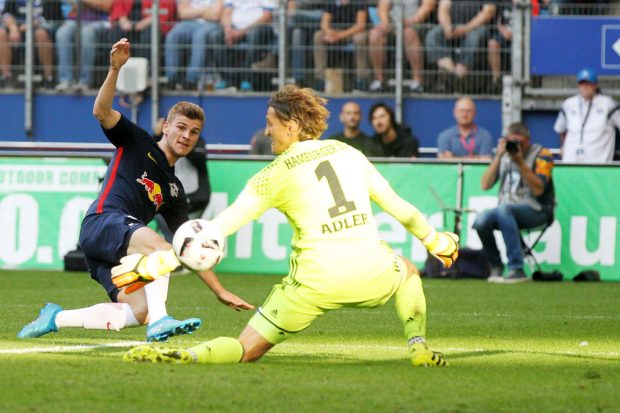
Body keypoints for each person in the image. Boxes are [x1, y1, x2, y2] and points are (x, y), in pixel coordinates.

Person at [123, 84, 459, 367]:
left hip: (313, 285)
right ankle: (419, 347)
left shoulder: (273, 174)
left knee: (244, 349)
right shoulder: (347, 152)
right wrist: (436, 242)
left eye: (271, 123)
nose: (267, 131)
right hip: (371, 272)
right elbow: (401, 209)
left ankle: (188, 356)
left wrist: (158, 263)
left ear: (293, 125)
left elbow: (216, 230)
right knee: (409, 272)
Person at [16, 39, 253, 342]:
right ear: (165, 127)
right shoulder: (138, 141)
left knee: (137, 311)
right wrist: (114, 69)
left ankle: (56, 318)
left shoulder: (174, 191)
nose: (186, 135)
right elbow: (101, 111)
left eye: (193, 132)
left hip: (109, 250)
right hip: (104, 221)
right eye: (180, 127)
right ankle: (162, 320)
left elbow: (186, 245)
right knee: (162, 252)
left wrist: (220, 291)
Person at [473, 122, 555, 284]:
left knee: (504, 210)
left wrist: (520, 162)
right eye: (512, 142)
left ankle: (517, 268)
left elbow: (538, 189)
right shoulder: (504, 156)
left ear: (528, 141)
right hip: (505, 210)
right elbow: (485, 185)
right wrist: (498, 157)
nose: (517, 146)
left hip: (537, 210)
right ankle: (496, 265)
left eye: (520, 143)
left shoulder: (542, 155)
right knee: (481, 219)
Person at [368, 0, 437, 93]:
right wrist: (385, 22)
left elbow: (428, 6)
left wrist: (413, 21)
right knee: (375, 35)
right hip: (392, 25)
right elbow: (382, 8)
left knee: (409, 33)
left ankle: (417, 80)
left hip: (417, 25)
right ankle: (379, 80)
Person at [553, 68, 620, 163]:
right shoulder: (569, 104)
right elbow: (560, 129)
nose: (585, 87)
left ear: (595, 85)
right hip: (571, 162)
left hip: (598, 164)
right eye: (582, 83)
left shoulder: (608, 104)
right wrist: (563, 146)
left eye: (588, 83)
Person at [425, 0, 496, 87]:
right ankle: (450, 72)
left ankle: (459, 75)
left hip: (477, 27)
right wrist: (447, 27)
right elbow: (443, 9)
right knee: (433, 35)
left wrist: (467, 28)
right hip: (453, 26)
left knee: (474, 37)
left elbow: (488, 12)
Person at [215, 0, 277, 92]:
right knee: (216, 35)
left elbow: (267, 17)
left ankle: (246, 78)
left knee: (254, 35)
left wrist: (243, 31)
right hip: (234, 29)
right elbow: (226, 13)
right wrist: (228, 31)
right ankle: (227, 78)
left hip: (258, 28)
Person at [164, 0, 224, 90]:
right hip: (189, 23)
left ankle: (192, 80)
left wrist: (193, 11)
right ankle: (172, 78)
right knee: (173, 35)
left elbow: (216, 15)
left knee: (199, 36)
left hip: (211, 24)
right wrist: (205, 10)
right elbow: (182, 13)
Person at [54, 0, 113, 93]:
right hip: (77, 21)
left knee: (86, 33)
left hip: (102, 22)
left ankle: (84, 81)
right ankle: (65, 80)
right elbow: (72, 9)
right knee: (62, 33)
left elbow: (107, 5)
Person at [0, 0, 61, 88]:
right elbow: (7, 14)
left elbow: (47, 16)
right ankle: (6, 77)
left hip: (40, 26)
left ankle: (48, 77)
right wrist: (13, 28)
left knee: (41, 35)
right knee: (1, 34)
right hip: (16, 26)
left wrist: (25, 27)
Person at [313, 0, 369, 92]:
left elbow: (360, 25)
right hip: (335, 32)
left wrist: (340, 35)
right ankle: (320, 78)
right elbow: (324, 23)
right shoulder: (331, 2)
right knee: (318, 36)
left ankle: (361, 80)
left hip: (353, 32)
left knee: (360, 39)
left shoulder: (360, 2)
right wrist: (329, 32)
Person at [104, 0, 176, 62]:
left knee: (149, 36)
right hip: (128, 25)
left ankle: (147, 72)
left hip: (151, 25)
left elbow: (165, 10)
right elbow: (118, 5)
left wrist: (142, 24)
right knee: (115, 34)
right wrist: (122, 19)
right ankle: (114, 71)